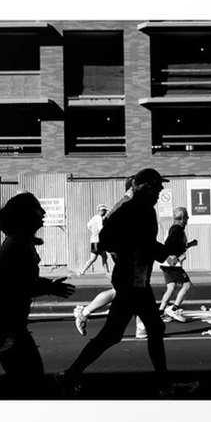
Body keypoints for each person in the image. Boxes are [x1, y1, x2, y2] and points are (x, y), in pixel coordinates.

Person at [61, 168, 172, 394]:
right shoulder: (132, 209)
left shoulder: (141, 209)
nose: (161, 189)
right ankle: (163, 385)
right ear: (145, 186)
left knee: (144, 329)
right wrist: (155, 250)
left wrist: (155, 250)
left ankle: (71, 374)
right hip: (132, 280)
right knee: (121, 333)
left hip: (136, 278)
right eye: (157, 185)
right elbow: (106, 240)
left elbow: (140, 243)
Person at [0, 192, 75, 397]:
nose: (42, 213)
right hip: (5, 326)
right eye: (37, 209)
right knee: (28, 381)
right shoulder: (17, 245)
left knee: (24, 380)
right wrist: (50, 287)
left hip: (9, 324)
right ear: (25, 215)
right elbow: (20, 284)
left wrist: (48, 285)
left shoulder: (20, 242)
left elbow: (22, 282)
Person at [73, 178, 133, 336]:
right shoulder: (124, 206)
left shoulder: (126, 206)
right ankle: (85, 312)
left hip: (124, 256)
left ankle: (85, 313)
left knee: (127, 292)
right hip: (122, 256)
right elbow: (107, 232)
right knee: (129, 292)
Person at [154, 207, 198, 323]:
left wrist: (190, 245)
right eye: (187, 217)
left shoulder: (175, 229)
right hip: (172, 264)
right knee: (187, 285)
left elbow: (177, 246)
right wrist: (176, 257)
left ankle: (161, 312)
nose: (188, 219)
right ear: (182, 218)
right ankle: (174, 309)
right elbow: (169, 244)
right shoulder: (177, 229)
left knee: (171, 287)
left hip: (166, 263)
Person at [79, 204, 110, 275]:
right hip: (98, 241)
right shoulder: (99, 218)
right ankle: (107, 272)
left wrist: (93, 232)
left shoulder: (94, 218)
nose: (105, 212)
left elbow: (88, 225)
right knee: (97, 258)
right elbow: (101, 229)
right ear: (101, 211)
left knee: (100, 257)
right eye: (104, 211)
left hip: (94, 240)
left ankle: (82, 271)